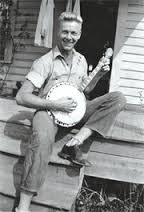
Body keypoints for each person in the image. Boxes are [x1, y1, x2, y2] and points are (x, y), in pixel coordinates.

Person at [15, 12, 126, 212]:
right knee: (41, 140)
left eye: (73, 33)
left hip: (75, 111)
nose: (69, 37)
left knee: (117, 98)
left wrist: (99, 75)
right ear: (59, 32)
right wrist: (56, 105)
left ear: (80, 34)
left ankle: (77, 141)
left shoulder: (82, 61)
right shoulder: (45, 62)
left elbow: (84, 91)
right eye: (65, 31)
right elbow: (21, 97)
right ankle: (23, 205)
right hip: (48, 112)